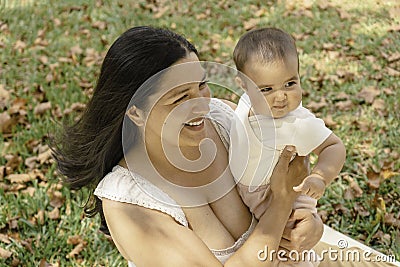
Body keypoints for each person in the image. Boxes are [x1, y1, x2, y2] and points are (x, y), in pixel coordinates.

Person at [51, 26, 397, 267]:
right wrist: (281, 203)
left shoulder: (223, 119)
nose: (201, 104)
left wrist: (308, 226)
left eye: (201, 85)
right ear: (136, 113)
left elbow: (289, 200)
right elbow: (275, 202)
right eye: (180, 98)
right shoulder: (130, 203)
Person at [230, 27, 346, 266]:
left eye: (290, 83)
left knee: (290, 249)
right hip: (254, 193)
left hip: (279, 199)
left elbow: (334, 146)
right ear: (243, 85)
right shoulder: (245, 103)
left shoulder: (296, 124)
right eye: (267, 89)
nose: (280, 97)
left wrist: (320, 177)